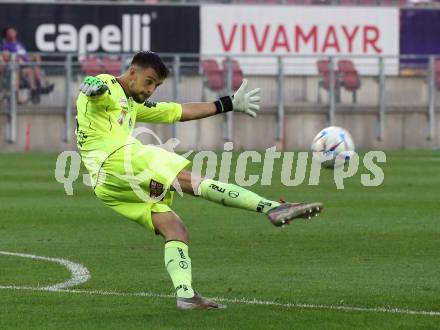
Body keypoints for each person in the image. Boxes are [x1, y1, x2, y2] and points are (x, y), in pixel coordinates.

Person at [76, 51, 323, 310]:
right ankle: (271, 207)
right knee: (191, 181)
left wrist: (227, 104)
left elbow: (179, 111)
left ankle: (186, 295)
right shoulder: (108, 86)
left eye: (156, 85)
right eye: (149, 81)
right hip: (119, 159)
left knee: (174, 227)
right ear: (133, 72)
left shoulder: (131, 104)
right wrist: (94, 86)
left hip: (105, 183)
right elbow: (97, 89)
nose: (151, 90)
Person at [1, 26, 54, 104]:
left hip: (25, 64)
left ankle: (42, 88)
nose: (12, 33)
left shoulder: (20, 44)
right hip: (16, 68)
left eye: (13, 31)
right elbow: (5, 57)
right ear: (6, 35)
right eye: (9, 32)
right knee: (29, 71)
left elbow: (26, 57)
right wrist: (16, 58)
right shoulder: (5, 45)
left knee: (34, 66)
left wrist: (34, 57)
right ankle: (34, 91)